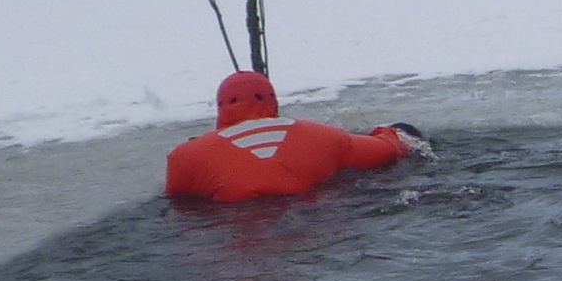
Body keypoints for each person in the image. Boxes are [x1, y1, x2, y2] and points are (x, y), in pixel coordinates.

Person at [164, 70, 428, 203]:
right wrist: (396, 131)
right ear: (273, 101)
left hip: (227, 236)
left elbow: (177, 200)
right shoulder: (322, 136)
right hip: (306, 222)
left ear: (221, 106)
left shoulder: (185, 157)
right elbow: (387, 150)